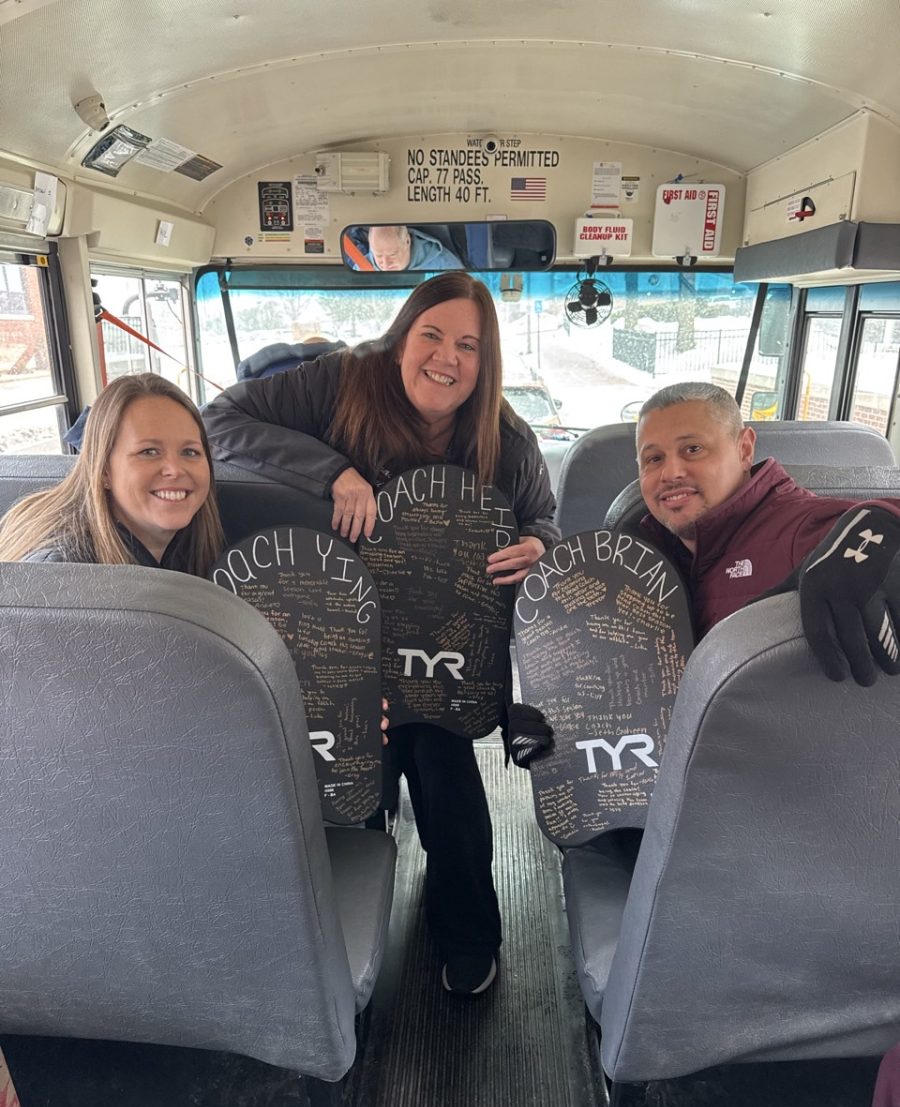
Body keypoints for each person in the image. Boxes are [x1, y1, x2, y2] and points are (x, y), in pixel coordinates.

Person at [202, 271, 559, 996]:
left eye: (469, 346)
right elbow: (220, 420)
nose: (447, 357)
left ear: (485, 364)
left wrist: (539, 544)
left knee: (443, 764)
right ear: (401, 337)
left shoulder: (506, 436)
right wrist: (332, 471)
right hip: (335, 629)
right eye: (432, 335)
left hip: (441, 642)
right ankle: (333, 926)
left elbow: (542, 516)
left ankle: (467, 931)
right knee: (348, 776)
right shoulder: (340, 382)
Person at [507, 379, 900, 769]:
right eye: (653, 459)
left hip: (785, 788)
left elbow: (851, 528)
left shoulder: (800, 529)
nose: (671, 472)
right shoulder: (633, 561)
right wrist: (557, 727)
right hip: (674, 788)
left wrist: (885, 532)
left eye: (692, 449)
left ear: (745, 448)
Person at [0, 373, 224, 573]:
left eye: (190, 452)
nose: (175, 469)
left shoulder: (198, 543)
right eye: (149, 452)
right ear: (104, 470)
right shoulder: (61, 572)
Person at [366, 224, 463, 272]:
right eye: (378, 255)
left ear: (407, 241)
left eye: (392, 254)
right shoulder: (360, 269)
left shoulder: (445, 266)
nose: (386, 264)